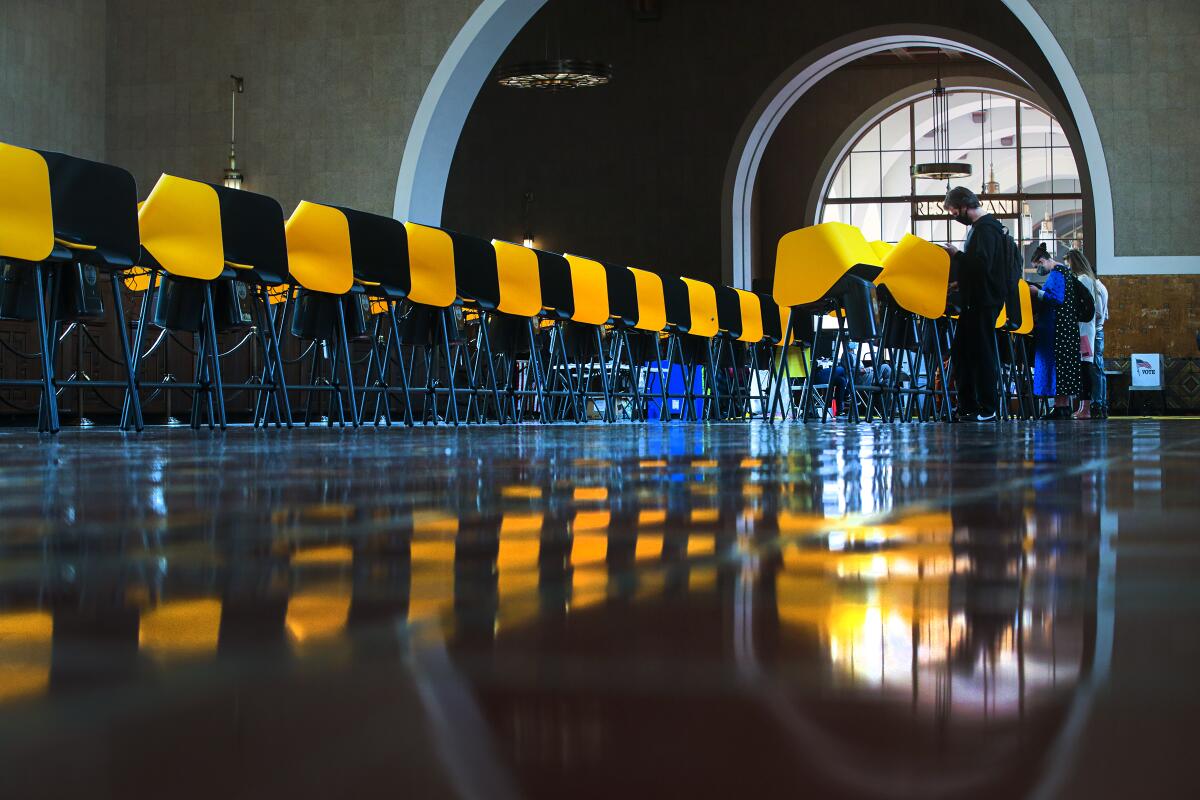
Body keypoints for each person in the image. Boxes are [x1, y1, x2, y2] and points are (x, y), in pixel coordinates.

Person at [941, 186, 1011, 422]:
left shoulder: (985, 229)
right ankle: (968, 406)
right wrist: (960, 284)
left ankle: (987, 408)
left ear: (964, 205)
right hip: (977, 299)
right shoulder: (984, 228)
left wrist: (957, 255)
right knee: (962, 352)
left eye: (954, 212)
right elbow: (983, 270)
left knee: (982, 353)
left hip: (984, 301)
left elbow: (982, 265)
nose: (954, 217)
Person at [1030, 244, 1081, 418]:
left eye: (1037, 266)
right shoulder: (1064, 272)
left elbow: (1057, 299)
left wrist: (1037, 292)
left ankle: (1060, 407)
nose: (1037, 270)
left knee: (1057, 368)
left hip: (1058, 330)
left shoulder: (1058, 273)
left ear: (1042, 261)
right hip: (1063, 328)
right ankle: (1062, 407)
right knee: (1062, 368)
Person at [1066, 249, 1104, 419]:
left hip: (1083, 331)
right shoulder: (1090, 280)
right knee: (1084, 367)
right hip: (1086, 329)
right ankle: (1083, 407)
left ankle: (1085, 408)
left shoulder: (1083, 280)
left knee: (1084, 368)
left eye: (1068, 263)